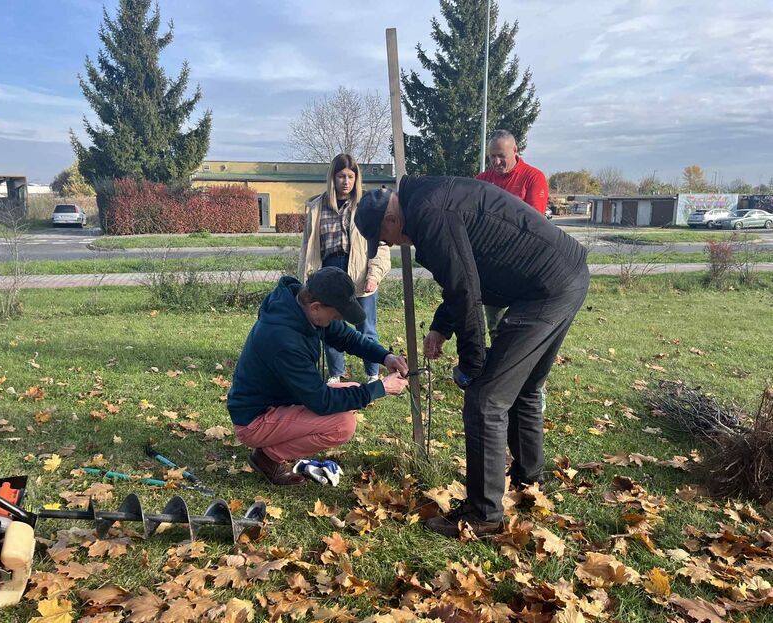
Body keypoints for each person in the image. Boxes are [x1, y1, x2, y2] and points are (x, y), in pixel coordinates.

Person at [354, 177, 589, 537]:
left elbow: (466, 290)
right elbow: (464, 274)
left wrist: (473, 364)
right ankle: (528, 483)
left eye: (386, 238)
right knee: (524, 387)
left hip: (545, 288)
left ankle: (484, 515)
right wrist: (440, 327)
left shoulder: (428, 213)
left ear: (390, 218)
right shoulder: (429, 201)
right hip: (562, 274)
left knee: (486, 400)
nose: (392, 243)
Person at [227, 267, 409, 486]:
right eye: (336, 315)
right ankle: (267, 457)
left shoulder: (300, 310)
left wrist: (385, 357)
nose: (338, 320)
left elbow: (348, 338)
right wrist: (380, 388)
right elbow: (321, 402)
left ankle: (273, 447)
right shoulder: (283, 340)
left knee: (349, 390)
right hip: (254, 420)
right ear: (316, 308)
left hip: (280, 402)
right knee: (343, 424)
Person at [298, 153, 391, 384]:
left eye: (350, 176)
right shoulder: (317, 207)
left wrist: (374, 274)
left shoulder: (365, 205)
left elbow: (380, 243)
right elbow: (308, 247)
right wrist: (307, 278)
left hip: (360, 271)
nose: (346, 181)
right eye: (341, 176)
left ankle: (372, 373)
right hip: (329, 270)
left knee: (365, 325)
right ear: (333, 177)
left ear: (356, 178)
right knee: (331, 324)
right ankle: (335, 374)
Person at [476, 130, 551, 345]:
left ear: (515, 151)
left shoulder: (532, 177)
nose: (496, 162)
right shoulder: (482, 181)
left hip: (524, 263)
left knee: (524, 327)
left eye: (501, 156)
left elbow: (534, 224)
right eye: (492, 157)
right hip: (492, 264)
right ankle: (499, 366)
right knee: (496, 324)